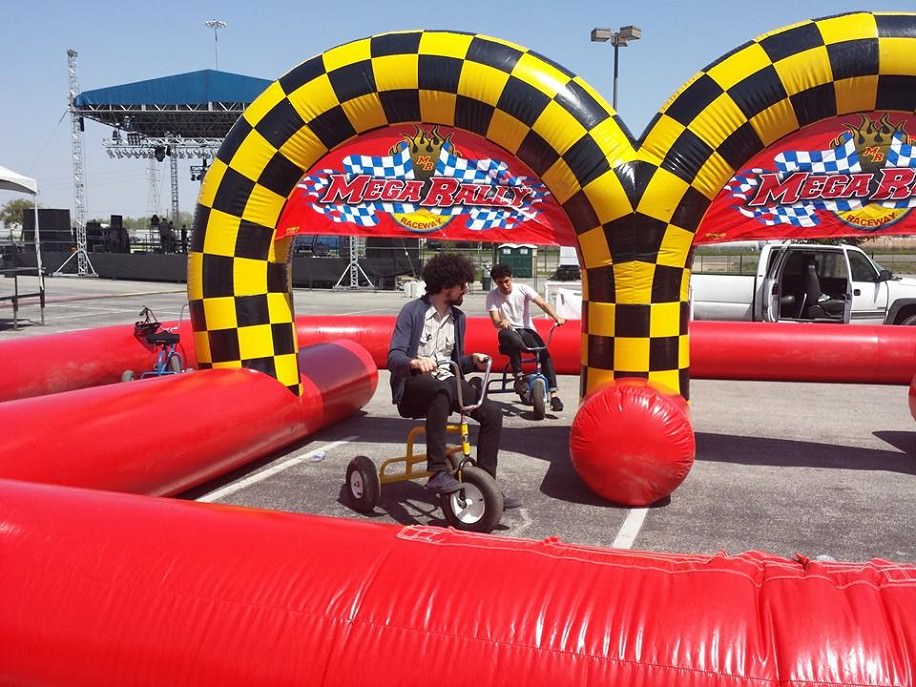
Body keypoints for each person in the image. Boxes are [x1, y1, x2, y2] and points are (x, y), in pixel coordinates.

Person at [388, 253, 520, 508]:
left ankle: (485, 484)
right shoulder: (412, 312)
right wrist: (414, 362)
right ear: (448, 286)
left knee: (492, 413)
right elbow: (393, 357)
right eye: (463, 285)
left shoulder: (459, 318)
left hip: (447, 382)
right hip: (415, 387)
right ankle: (437, 472)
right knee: (440, 390)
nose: (466, 290)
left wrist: (473, 361)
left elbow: (455, 362)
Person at [486, 263, 565, 412]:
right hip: (507, 333)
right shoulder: (492, 296)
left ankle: (554, 395)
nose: (504, 285)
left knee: (544, 353)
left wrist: (556, 316)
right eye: (500, 282)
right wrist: (501, 322)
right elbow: (495, 320)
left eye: (506, 281)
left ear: (511, 278)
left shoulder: (523, 289)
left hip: (526, 331)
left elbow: (542, 303)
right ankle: (518, 376)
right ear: (495, 283)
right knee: (510, 337)